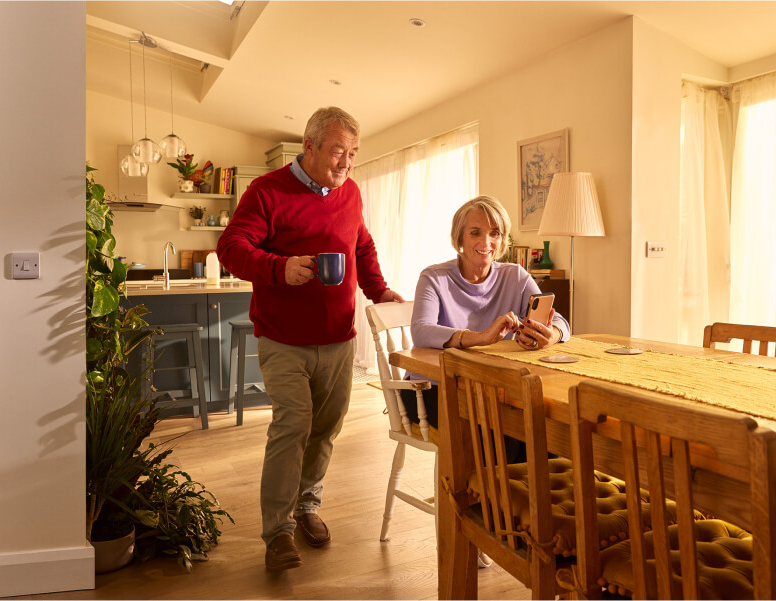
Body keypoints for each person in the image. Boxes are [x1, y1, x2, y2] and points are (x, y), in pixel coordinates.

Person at [217, 106, 404, 573]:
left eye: (354, 153)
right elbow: (231, 249)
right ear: (310, 146)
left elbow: (360, 246)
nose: (346, 163)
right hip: (284, 338)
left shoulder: (351, 193)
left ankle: (307, 506)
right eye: (338, 151)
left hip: (338, 336)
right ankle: (277, 532)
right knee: (293, 425)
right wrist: (280, 268)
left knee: (326, 427)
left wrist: (380, 291)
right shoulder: (267, 191)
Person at [404, 195, 570, 461]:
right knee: (499, 431)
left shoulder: (515, 276)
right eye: (475, 233)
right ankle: (482, 500)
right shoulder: (434, 277)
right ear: (459, 238)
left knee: (547, 432)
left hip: (495, 388)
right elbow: (421, 331)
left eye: (494, 233)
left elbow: (559, 321)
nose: (486, 242)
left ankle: (526, 499)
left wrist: (551, 336)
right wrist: (481, 337)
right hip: (433, 389)